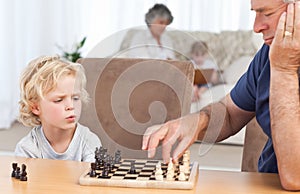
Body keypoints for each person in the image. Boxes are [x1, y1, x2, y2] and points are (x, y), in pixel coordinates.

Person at [142, 0, 300, 190]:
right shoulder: (267, 54)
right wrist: (197, 120)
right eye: (255, 13)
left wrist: (284, 69)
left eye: (267, 13)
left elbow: (295, 178)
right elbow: (230, 113)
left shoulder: (281, 59)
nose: (256, 27)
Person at [15, 55, 102, 162]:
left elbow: (91, 177)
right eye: (59, 100)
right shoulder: (27, 149)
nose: (71, 106)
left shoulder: (89, 142)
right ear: (36, 107)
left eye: (75, 98)